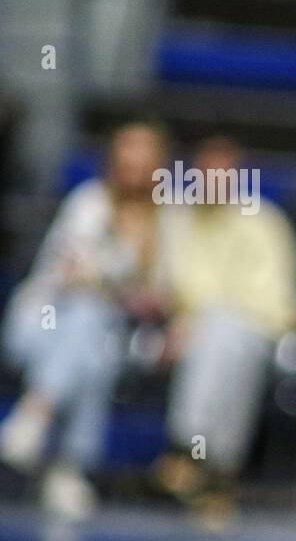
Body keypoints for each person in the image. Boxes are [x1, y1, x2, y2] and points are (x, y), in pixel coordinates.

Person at [0, 122, 174, 520]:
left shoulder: (167, 219)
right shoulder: (88, 202)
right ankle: (68, 466)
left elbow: (164, 293)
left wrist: (131, 293)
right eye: (127, 152)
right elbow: (78, 277)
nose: (135, 163)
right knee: (90, 319)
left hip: (114, 336)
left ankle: (34, 418)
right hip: (40, 323)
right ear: (113, 160)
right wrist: (125, 289)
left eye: (144, 154)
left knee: (99, 348)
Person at [151, 136, 296, 518]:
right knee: (217, 337)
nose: (214, 179)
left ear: (239, 175)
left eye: (224, 171)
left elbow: (279, 302)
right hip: (189, 332)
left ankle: (189, 452)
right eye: (206, 171)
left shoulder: (266, 221)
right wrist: (183, 317)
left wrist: (208, 314)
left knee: (226, 336)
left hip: (260, 333)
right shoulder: (175, 220)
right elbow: (164, 286)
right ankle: (218, 472)